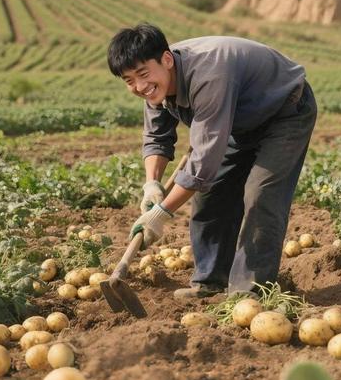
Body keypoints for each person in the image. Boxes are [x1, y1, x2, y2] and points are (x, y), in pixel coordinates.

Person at [106, 24, 317, 300]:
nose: (139, 86)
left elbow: (203, 164)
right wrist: (152, 185)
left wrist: (160, 214)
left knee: (260, 194)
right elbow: (157, 138)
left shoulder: (209, 74)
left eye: (143, 74)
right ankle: (211, 282)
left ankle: (250, 293)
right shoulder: (155, 86)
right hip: (237, 122)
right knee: (211, 195)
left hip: (284, 111)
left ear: (167, 60)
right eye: (129, 80)